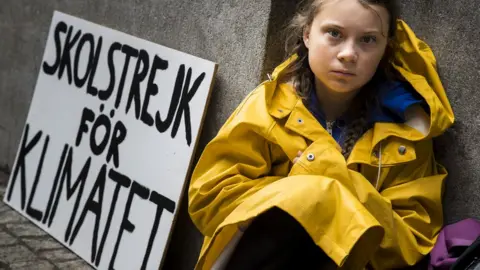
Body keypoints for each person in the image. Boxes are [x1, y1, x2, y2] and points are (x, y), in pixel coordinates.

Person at [188, 0, 455, 269]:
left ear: (386, 47)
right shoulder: (270, 107)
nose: (348, 54)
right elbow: (209, 198)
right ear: (307, 34)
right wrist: (307, 193)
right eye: (335, 34)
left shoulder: (407, 131)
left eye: (368, 39)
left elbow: (413, 241)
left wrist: (331, 176)